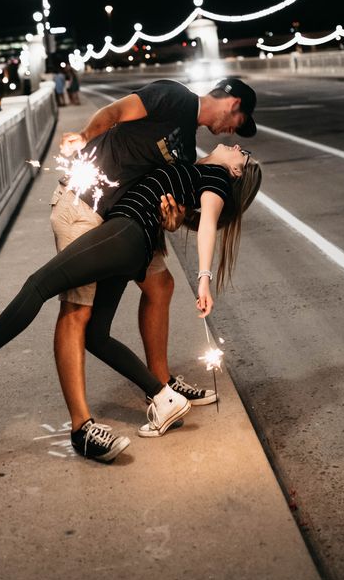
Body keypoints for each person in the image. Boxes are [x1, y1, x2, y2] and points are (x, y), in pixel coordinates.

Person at [0, 144, 262, 463]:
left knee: (39, 284)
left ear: (235, 173)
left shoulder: (215, 179)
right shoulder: (192, 168)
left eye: (242, 154)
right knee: (96, 335)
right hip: (131, 246)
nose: (235, 147)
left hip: (126, 234)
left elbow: (207, 225)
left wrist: (203, 279)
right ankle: (164, 398)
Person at [50, 76, 257, 458]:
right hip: (84, 204)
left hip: (120, 218)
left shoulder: (186, 153)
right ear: (232, 102)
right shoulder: (173, 96)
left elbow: (168, 203)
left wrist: (173, 219)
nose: (234, 131)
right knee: (77, 311)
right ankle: (81, 427)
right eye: (240, 122)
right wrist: (83, 137)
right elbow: (113, 113)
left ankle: (161, 384)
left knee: (160, 286)